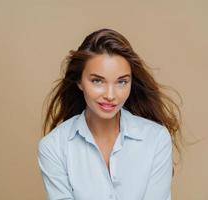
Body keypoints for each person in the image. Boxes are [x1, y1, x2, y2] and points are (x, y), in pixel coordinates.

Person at [37, 28, 183, 200]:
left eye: (121, 82)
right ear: (79, 81)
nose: (110, 95)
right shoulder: (54, 147)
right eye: (97, 81)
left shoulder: (156, 138)